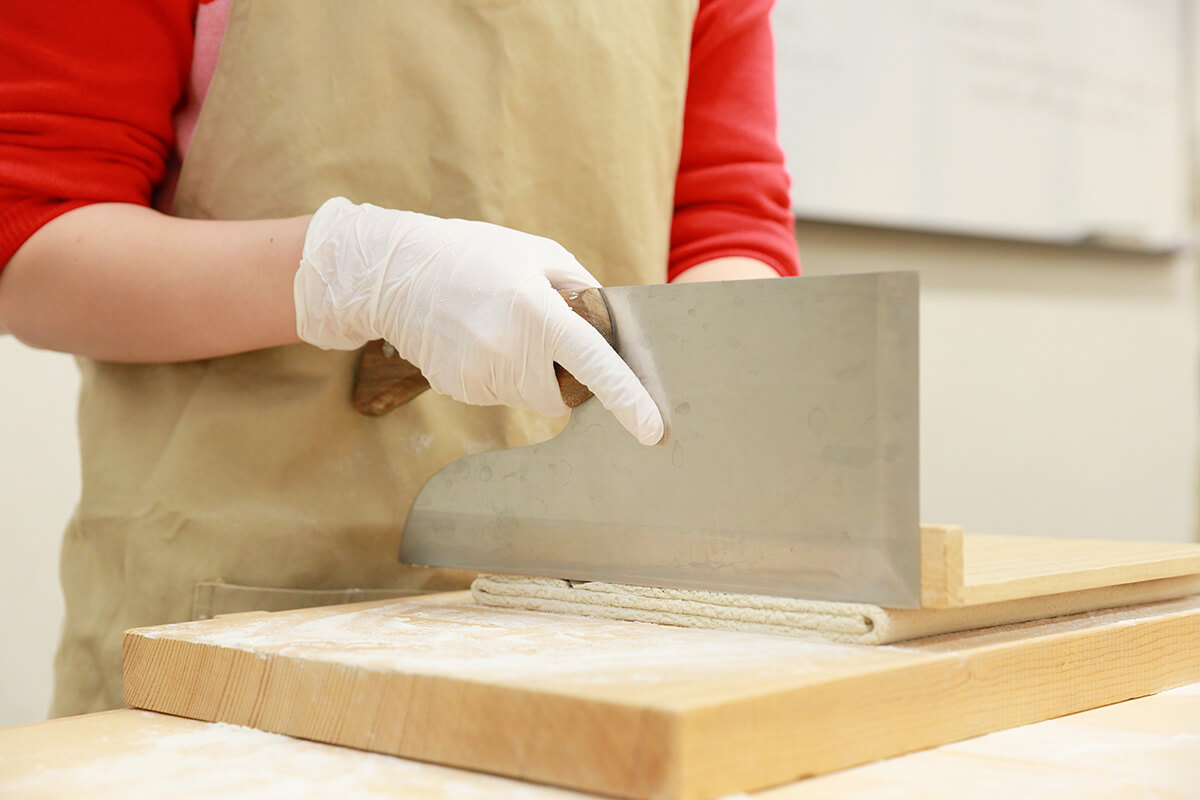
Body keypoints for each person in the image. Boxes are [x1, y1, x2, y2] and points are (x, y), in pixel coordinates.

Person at [0, 0, 800, 716]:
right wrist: (355, 271)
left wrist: (720, 362)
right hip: (229, 634)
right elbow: (32, 239)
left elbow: (725, 221)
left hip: (595, 622)